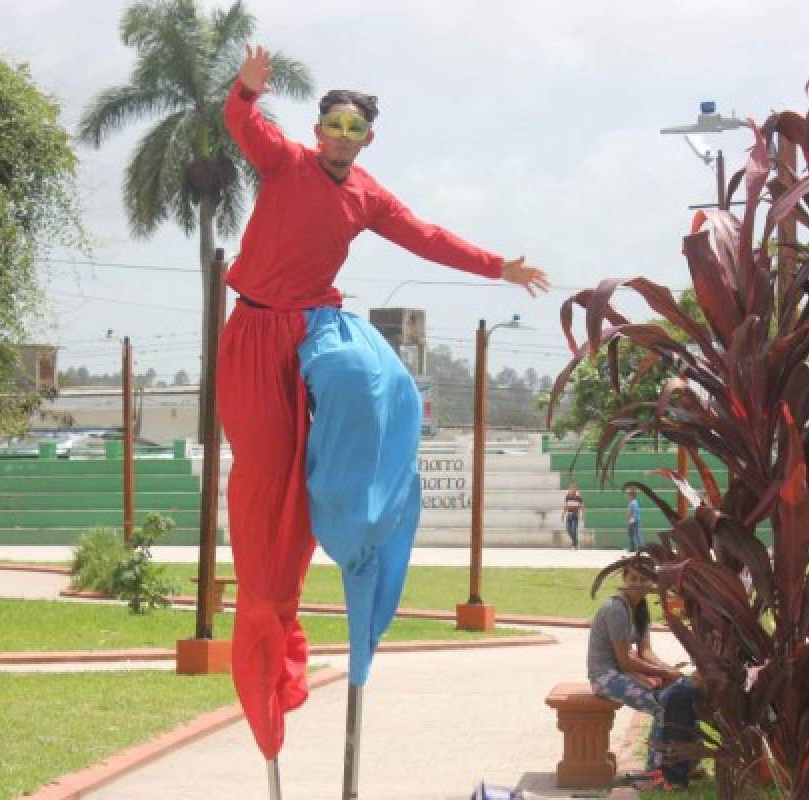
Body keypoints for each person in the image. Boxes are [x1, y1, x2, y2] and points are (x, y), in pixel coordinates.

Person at [219, 45, 549, 758]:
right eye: (333, 124)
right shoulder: (286, 163)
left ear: (369, 138)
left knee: (378, 381)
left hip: (314, 325)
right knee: (267, 475)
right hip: (252, 332)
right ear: (317, 131)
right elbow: (244, 128)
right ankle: (271, 620)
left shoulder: (365, 195)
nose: (343, 136)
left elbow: (426, 237)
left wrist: (499, 267)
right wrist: (245, 93)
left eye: (355, 128)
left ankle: (360, 510)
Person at [588, 563, 702, 790]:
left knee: (682, 691)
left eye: (643, 579)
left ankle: (689, 762)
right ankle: (654, 773)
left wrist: (671, 672)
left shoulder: (640, 608)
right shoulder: (616, 609)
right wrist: (664, 673)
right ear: (624, 579)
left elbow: (645, 652)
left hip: (624, 672)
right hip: (605, 677)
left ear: (652, 582)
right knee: (663, 705)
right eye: (633, 578)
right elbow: (624, 660)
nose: (638, 584)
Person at [563, 482, 584, 550]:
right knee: (568, 529)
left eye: (573, 487)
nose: (572, 489)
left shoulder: (578, 497)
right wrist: (563, 514)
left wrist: (582, 515)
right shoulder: (567, 496)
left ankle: (574, 544)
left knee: (574, 530)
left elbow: (581, 506)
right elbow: (566, 506)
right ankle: (576, 542)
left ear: (576, 488)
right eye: (570, 487)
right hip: (569, 514)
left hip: (575, 514)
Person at [626, 487, 643, 552]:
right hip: (631, 521)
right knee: (631, 534)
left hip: (634, 521)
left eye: (629, 495)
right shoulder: (631, 502)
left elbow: (635, 511)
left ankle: (641, 547)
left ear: (632, 495)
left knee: (637, 534)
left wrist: (632, 519)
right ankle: (632, 547)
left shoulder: (634, 502)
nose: (628, 496)